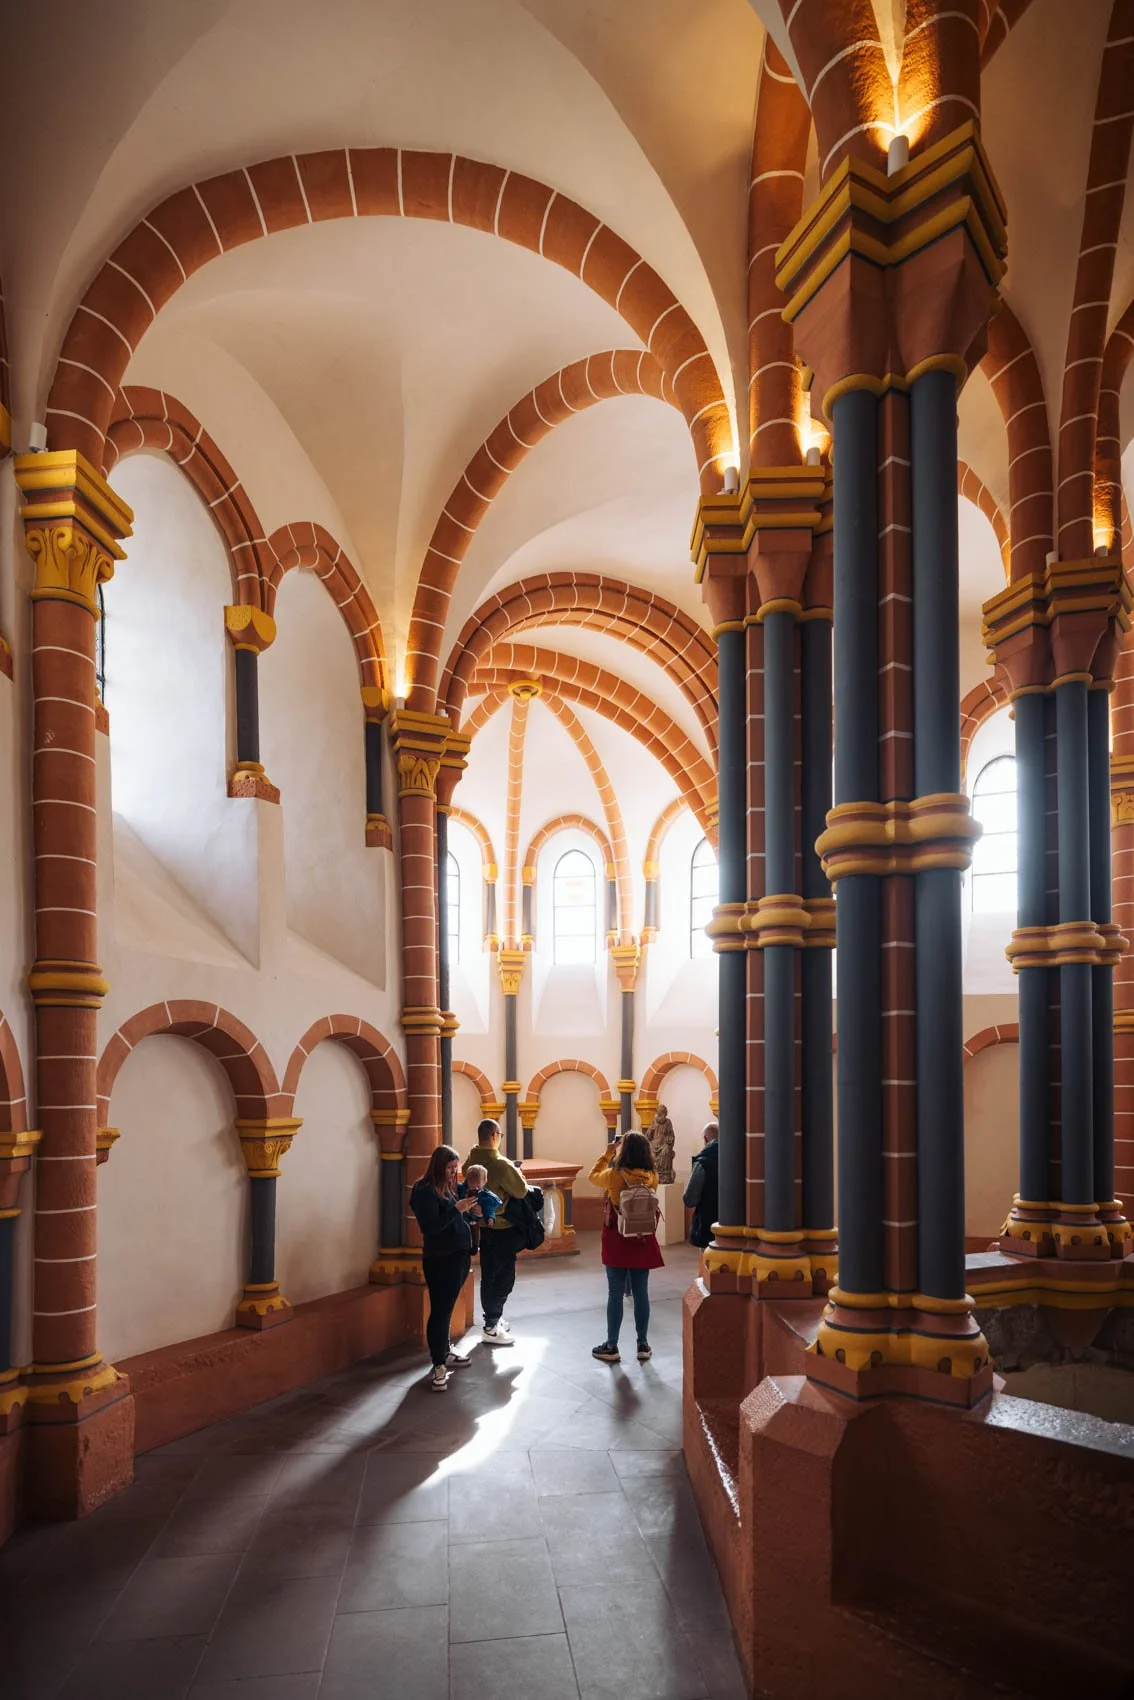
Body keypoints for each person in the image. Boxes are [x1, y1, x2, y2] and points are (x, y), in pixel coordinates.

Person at [588, 1130, 663, 1364]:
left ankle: (612, 1346)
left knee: (615, 1293)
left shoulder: (614, 1175)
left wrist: (608, 1152)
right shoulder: (652, 1176)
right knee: (641, 1292)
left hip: (617, 1237)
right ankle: (643, 1344)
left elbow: (593, 1176)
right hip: (642, 1237)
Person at [409, 1144, 479, 1391]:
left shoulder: (446, 1189)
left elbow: (453, 1217)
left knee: (447, 1308)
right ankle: (438, 1364)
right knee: (439, 1311)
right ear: (438, 1167)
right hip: (440, 1259)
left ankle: (445, 1350)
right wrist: (457, 1209)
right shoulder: (425, 1190)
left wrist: (468, 1213)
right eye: (450, 1168)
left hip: (457, 1256)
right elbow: (431, 1226)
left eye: (455, 1168)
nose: (454, 1173)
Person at [463, 1118, 528, 1345]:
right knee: (505, 1277)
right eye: (499, 1136)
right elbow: (520, 1191)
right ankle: (491, 1326)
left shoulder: (469, 1162)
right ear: (494, 1135)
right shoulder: (501, 1165)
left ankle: (493, 1319)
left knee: (489, 1274)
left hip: (480, 1229)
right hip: (502, 1227)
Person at [683, 1120, 720, 1249]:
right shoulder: (736, 1158)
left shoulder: (702, 1162)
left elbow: (690, 1199)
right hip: (732, 1224)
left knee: (707, 1265)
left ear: (705, 1138)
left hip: (707, 1224)